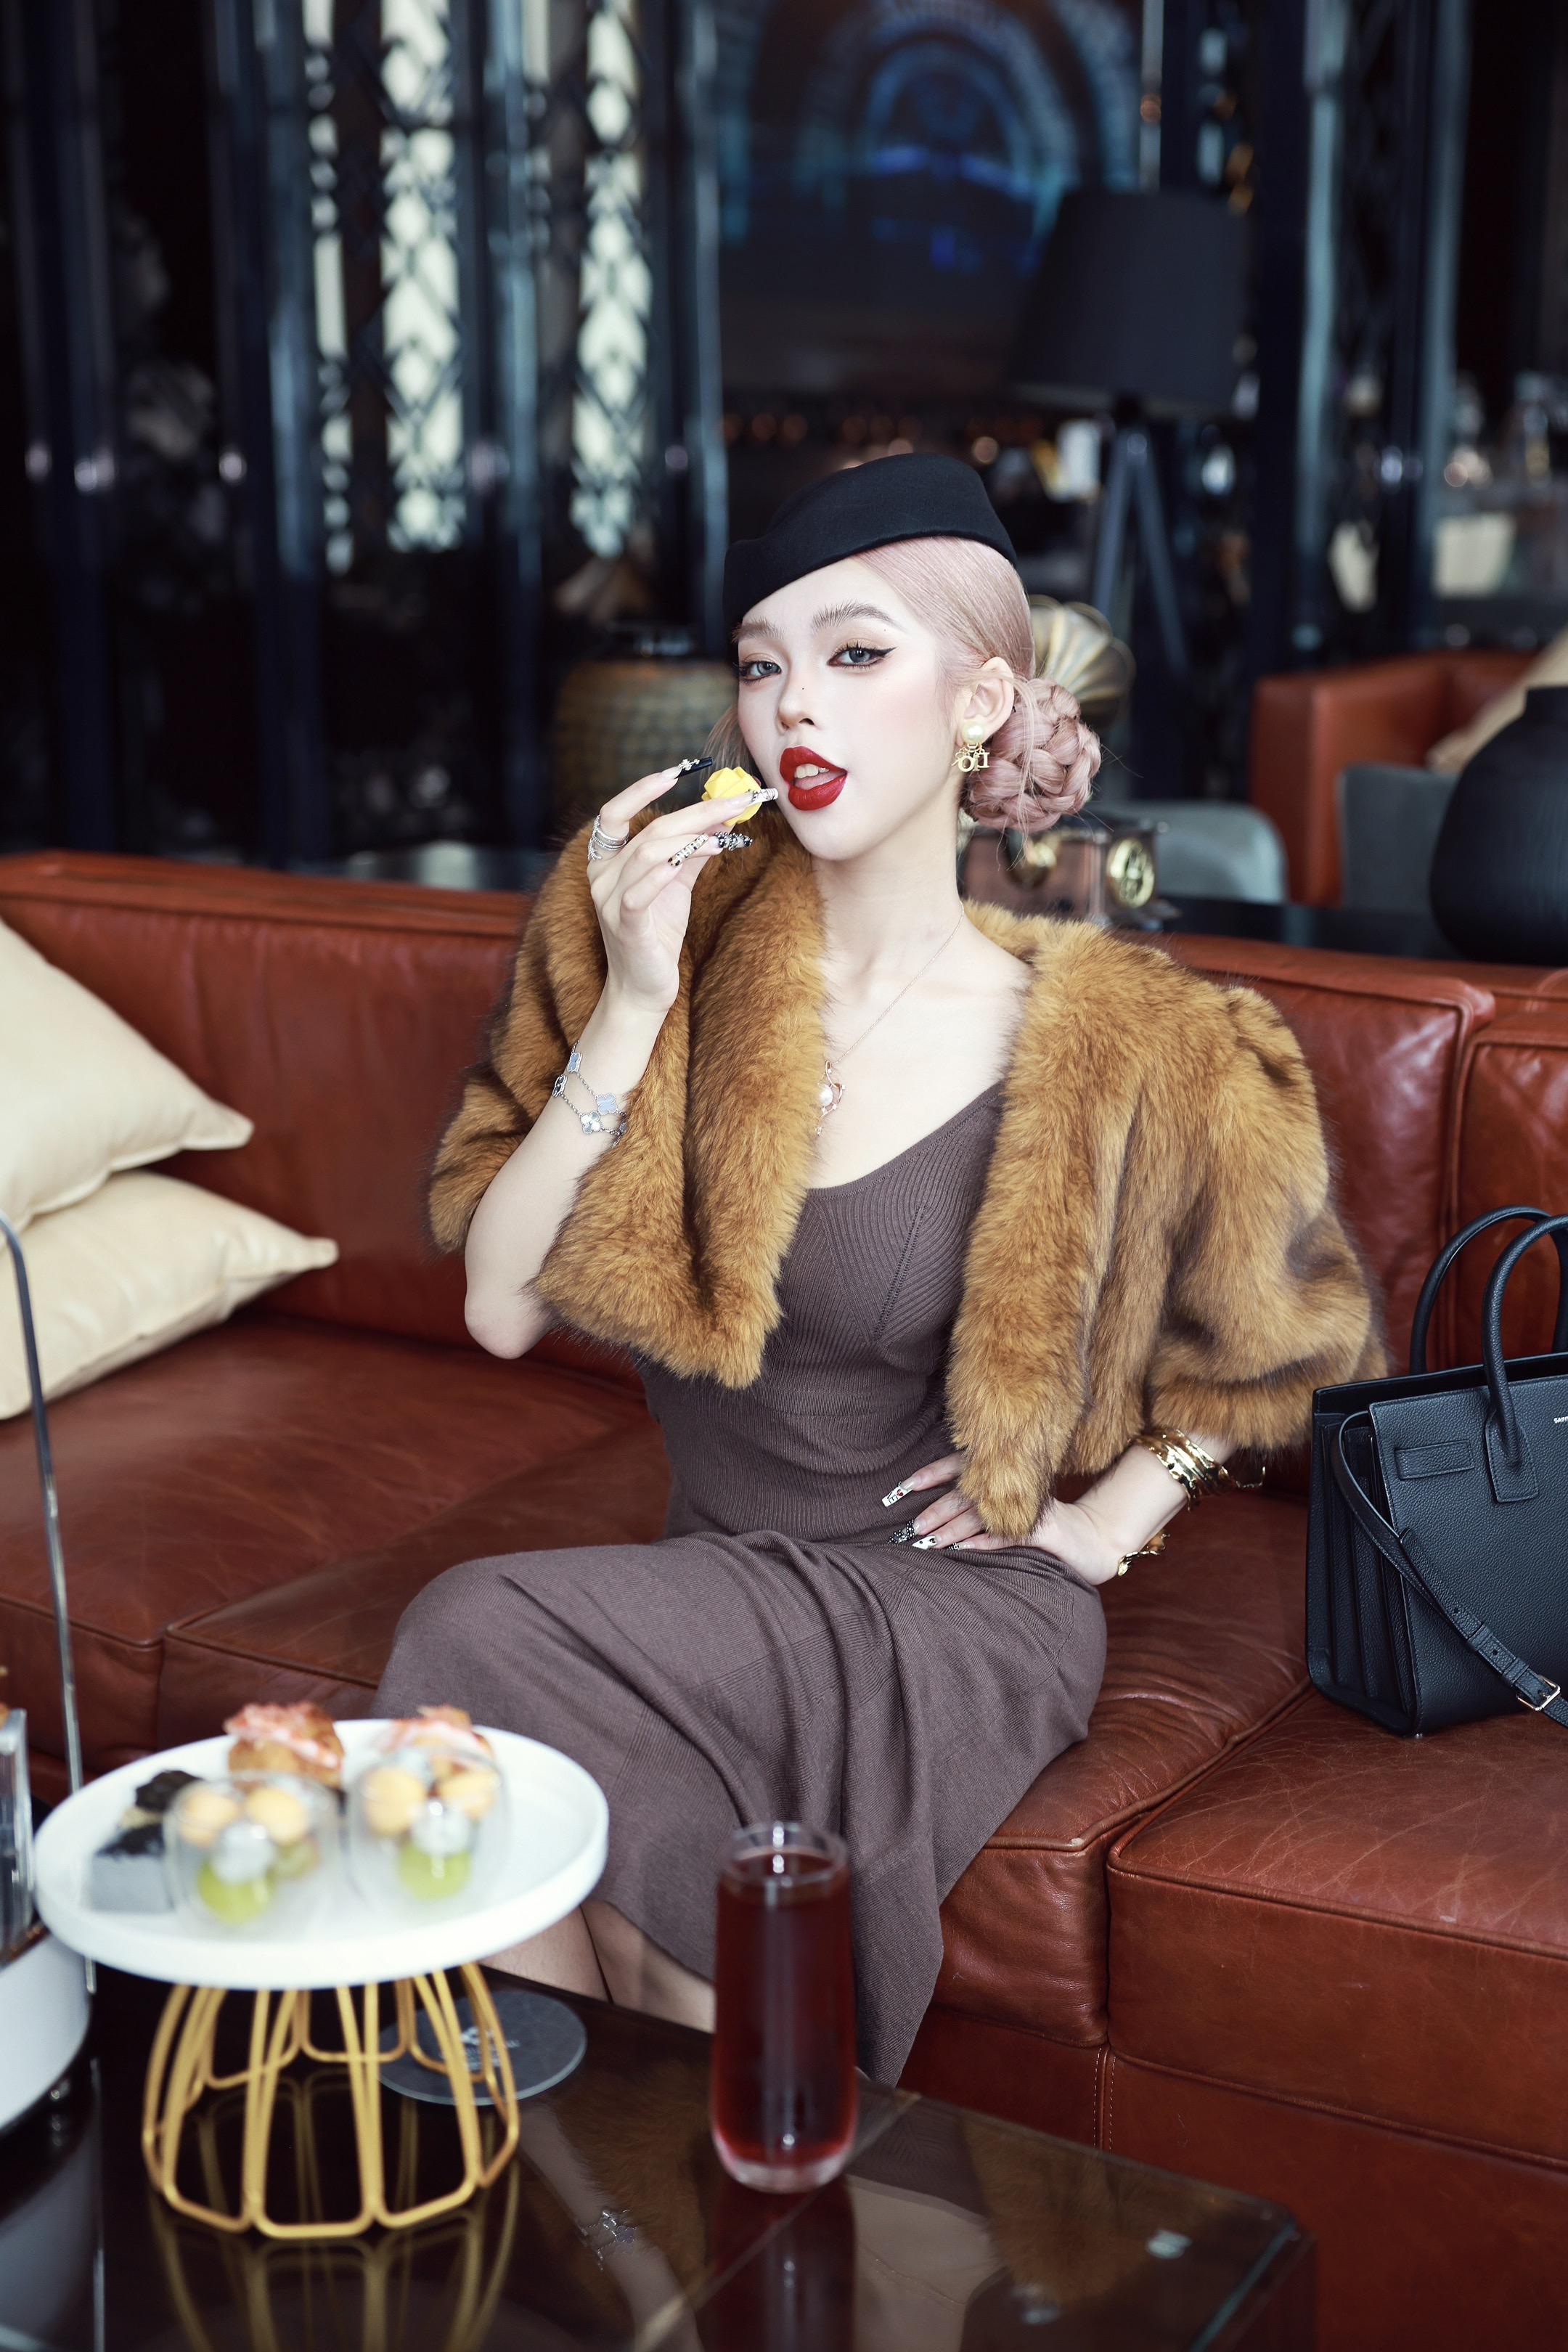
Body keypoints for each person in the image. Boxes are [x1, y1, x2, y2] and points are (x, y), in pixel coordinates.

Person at [376, 453, 1384, 2086]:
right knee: (569, 1850)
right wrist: (632, 1005)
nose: (794, 705)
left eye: (855, 655)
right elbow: (498, 1304)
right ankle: (690, 2198)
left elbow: (1295, 1335)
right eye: (762, 663)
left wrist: (1106, 1525)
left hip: (950, 1607)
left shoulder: (1120, 1037)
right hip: (718, 1575)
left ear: (981, 699)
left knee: (474, 1631)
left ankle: (681, 2181)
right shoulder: (671, 950)